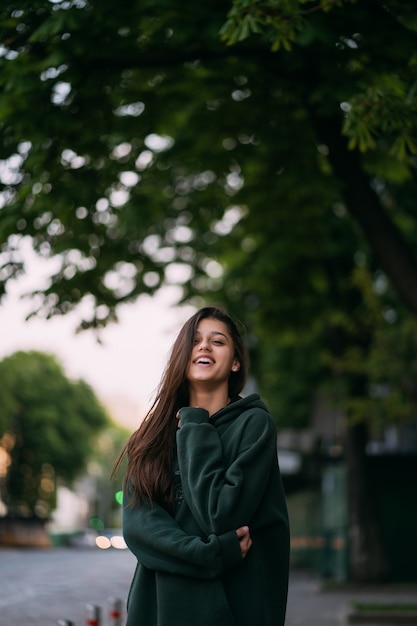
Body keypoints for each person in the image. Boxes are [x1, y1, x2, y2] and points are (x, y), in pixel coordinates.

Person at [117, 305, 290, 626]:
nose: (205, 346)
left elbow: (220, 515)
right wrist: (213, 554)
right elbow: (140, 530)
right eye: (195, 340)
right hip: (158, 608)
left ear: (236, 362)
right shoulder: (152, 436)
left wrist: (195, 424)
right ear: (182, 356)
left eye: (218, 341)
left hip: (231, 609)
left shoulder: (254, 424)